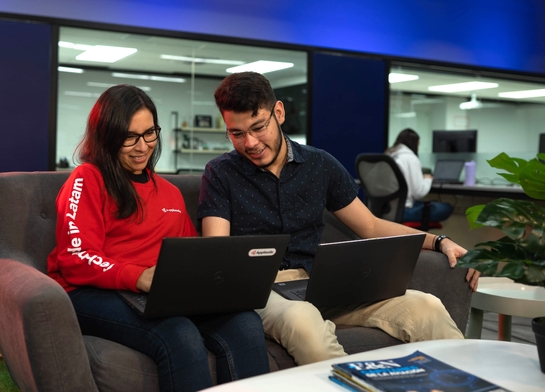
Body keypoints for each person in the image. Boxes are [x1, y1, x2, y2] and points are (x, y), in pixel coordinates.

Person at [198, 72, 480, 366]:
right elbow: (219, 254)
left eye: (258, 127)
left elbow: (371, 226)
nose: (250, 143)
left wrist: (439, 241)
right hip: (262, 292)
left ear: (278, 113)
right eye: (237, 133)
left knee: (426, 306)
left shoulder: (319, 164)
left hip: (321, 284)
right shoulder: (221, 173)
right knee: (302, 318)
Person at [47, 84, 270, 392]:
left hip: (157, 293)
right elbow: (75, 258)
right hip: (90, 292)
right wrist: (138, 277)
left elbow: (190, 256)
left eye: (149, 133)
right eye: (129, 137)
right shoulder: (87, 179)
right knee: (178, 332)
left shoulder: (169, 192)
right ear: (107, 136)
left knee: (245, 322)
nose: (143, 146)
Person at [386, 128, 454, 222]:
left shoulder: (388, 155)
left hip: (385, 210)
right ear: (415, 143)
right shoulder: (411, 158)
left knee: (426, 203)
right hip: (403, 211)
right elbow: (418, 193)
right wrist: (427, 179)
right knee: (446, 207)